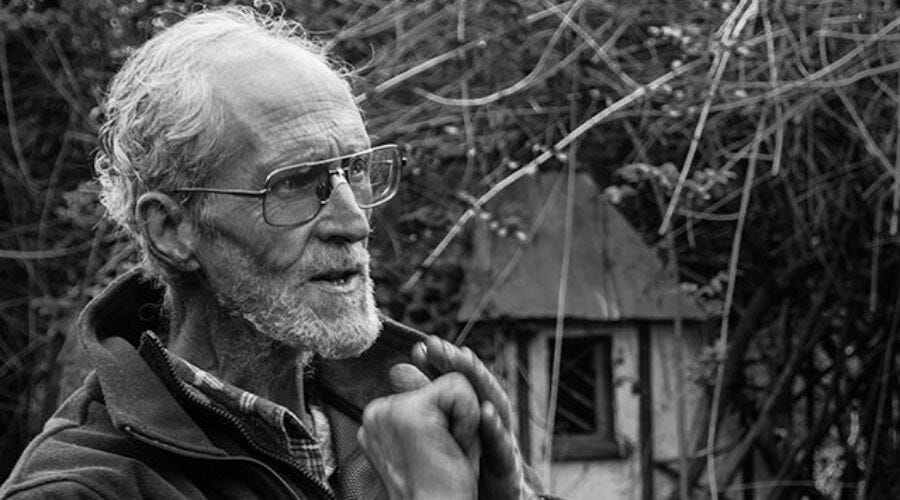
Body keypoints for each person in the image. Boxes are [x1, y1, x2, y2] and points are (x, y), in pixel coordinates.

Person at [0, 6, 546, 500]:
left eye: (355, 170)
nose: (353, 220)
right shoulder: (86, 489)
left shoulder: (409, 408)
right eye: (293, 183)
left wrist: (512, 495)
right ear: (172, 229)